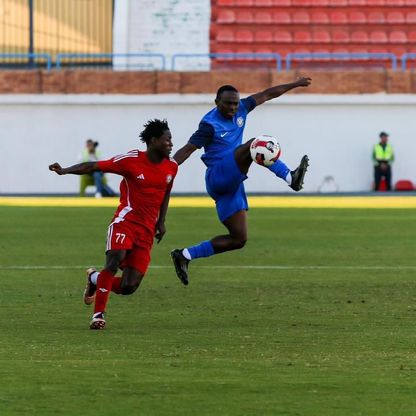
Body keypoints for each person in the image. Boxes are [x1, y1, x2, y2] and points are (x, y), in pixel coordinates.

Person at [170, 78, 312, 285]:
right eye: (228, 103)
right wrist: (165, 169)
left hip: (232, 184)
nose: (233, 107)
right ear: (217, 101)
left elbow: (267, 94)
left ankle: (184, 255)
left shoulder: (242, 109)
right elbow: (187, 149)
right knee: (253, 145)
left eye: (235, 103)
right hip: (218, 175)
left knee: (238, 239)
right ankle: (290, 177)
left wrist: (295, 84)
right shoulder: (209, 125)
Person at [49, 119, 178, 329]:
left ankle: (95, 279)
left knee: (129, 286)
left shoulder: (171, 167)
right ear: (154, 141)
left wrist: (161, 222)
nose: (171, 144)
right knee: (115, 260)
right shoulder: (131, 160)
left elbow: (166, 194)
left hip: (146, 231)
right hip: (125, 223)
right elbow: (94, 166)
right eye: (167, 140)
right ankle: (98, 315)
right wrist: (65, 171)